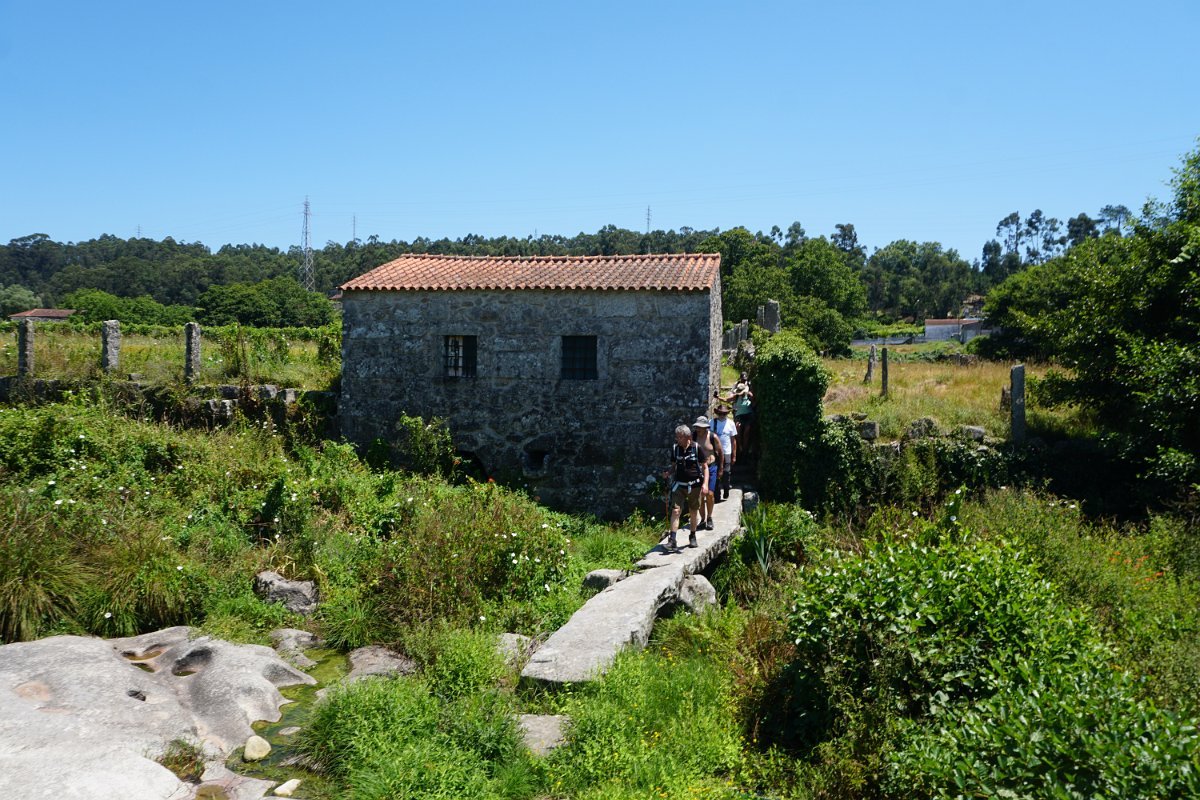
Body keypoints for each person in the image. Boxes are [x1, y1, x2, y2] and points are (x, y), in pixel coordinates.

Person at [661, 424, 703, 551]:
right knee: (675, 511)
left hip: (694, 486)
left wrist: (705, 484)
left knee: (693, 511)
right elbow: (674, 466)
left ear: (688, 437)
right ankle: (672, 540)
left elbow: (705, 467)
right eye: (677, 437)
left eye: (680, 437)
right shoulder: (675, 449)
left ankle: (692, 536)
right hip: (679, 485)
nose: (677, 439)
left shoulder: (696, 448)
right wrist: (668, 473)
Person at [692, 415, 723, 530]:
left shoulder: (713, 437)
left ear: (705, 427)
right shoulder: (694, 437)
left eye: (700, 427)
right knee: (700, 494)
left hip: (711, 467)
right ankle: (703, 519)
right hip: (698, 469)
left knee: (710, 494)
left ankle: (709, 517)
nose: (698, 429)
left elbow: (720, 452)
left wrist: (721, 468)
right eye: (697, 427)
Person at [710, 403, 737, 500]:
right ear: (717, 413)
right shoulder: (712, 422)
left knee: (726, 473)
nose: (722, 415)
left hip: (727, 452)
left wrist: (734, 455)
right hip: (715, 453)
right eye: (720, 413)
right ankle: (717, 495)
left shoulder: (731, 423)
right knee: (715, 474)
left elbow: (733, 440)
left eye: (724, 413)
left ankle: (726, 488)